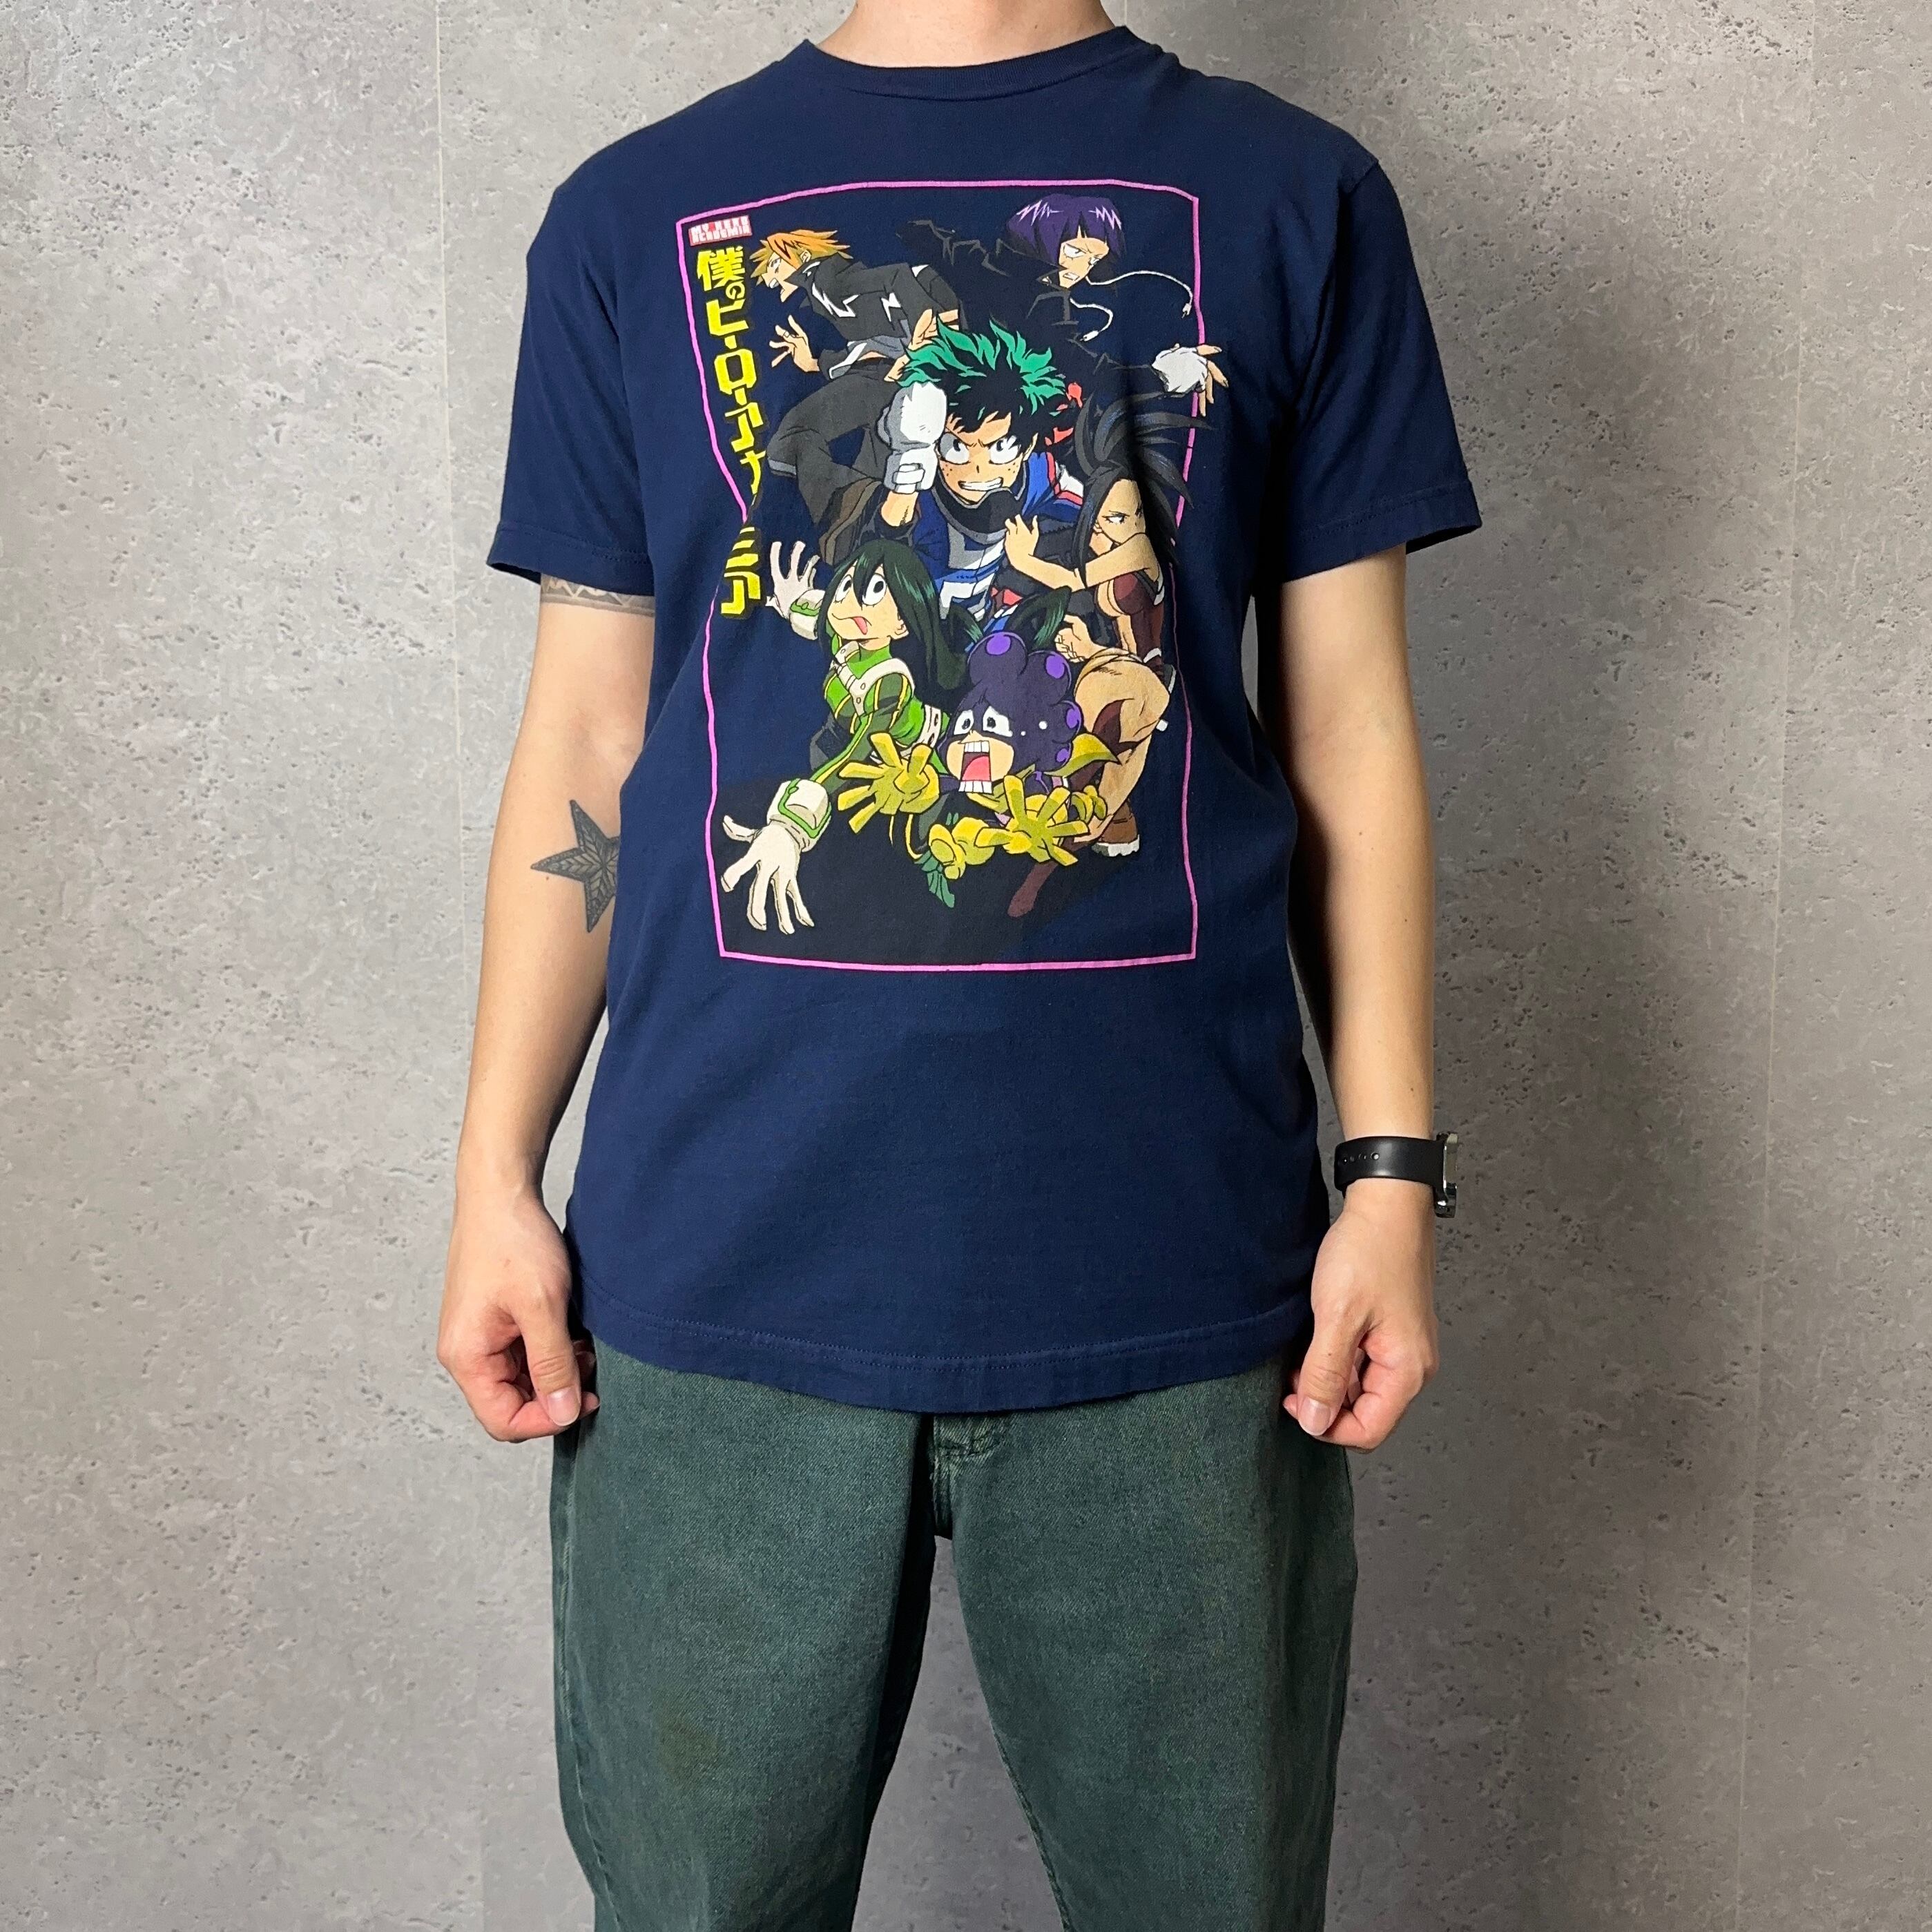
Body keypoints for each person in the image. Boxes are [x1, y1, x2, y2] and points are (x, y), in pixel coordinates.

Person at [439, 1, 1480, 1926]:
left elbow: (1348, 728)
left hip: (1176, 1262)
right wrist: (495, 1173)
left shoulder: (1293, 197)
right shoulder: (633, 216)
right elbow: (590, 732)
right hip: (720, 1262)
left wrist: (1392, 1174)